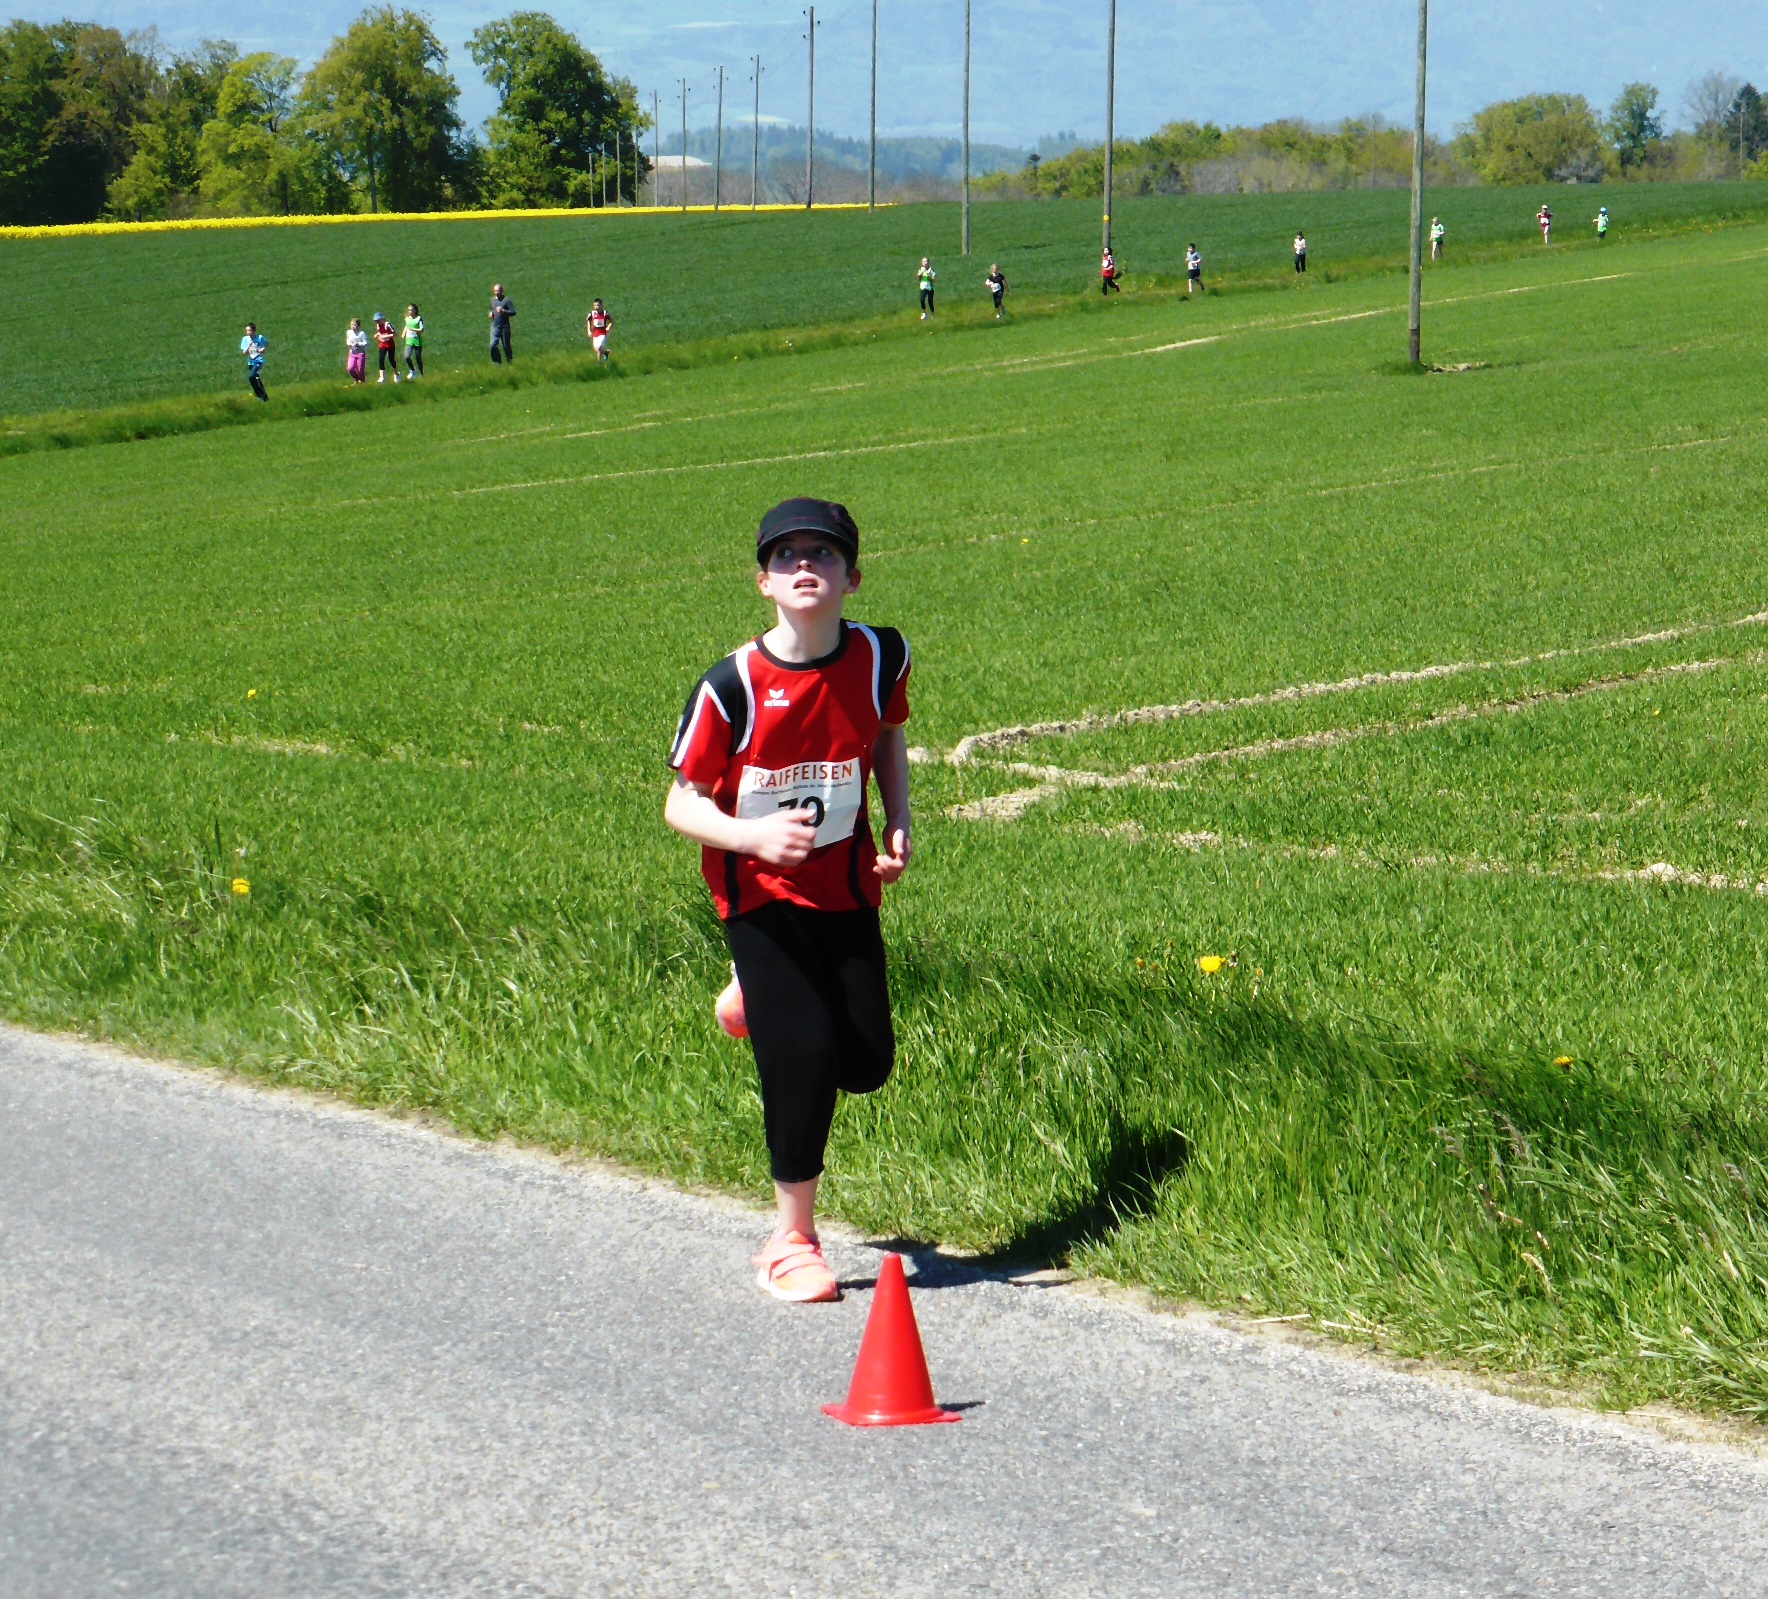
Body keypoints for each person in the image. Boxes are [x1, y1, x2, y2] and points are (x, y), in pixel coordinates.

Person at [665, 498, 912, 1304]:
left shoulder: (882, 655)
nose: (806, 565)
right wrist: (753, 837)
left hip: (845, 885)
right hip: (759, 892)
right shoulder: (731, 684)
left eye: (824, 553)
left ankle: (754, 997)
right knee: (802, 1056)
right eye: (786, 555)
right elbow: (681, 803)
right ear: (763, 582)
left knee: (866, 1061)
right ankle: (791, 1239)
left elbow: (886, 732)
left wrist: (899, 817)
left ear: (853, 576)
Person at [239, 323, 267, 401]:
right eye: (247, 331)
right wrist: (248, 346)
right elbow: (244, 353)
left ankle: (258, 394)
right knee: (256, 379)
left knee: (251, 377)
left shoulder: (259, 338)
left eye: (250, 330)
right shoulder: (245, 339)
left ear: (254, 331)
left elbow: (266, 344)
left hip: (259, 361)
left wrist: (263, 349)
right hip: (251, 362)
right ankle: (264, 397)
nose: (248, 332)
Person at [489, 283, 515, 363]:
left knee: (506, 346)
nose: (497, 292)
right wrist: (491, 313)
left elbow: (513, 312)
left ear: (502, 290)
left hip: (504, 326)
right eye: (495, 291)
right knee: (493, 345)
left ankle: (509, 361)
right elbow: (491, 309)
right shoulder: (492, 300)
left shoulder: (506, 300)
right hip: (495, 326)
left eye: (498, 291)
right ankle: (497, 363)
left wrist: (503, 311)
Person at [373, 312, 399, 383]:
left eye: (378, 320)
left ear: (382, 319)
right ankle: (382, 377)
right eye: (376, 321)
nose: (377, 322)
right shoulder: (378, 326)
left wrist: (385, 336)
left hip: (390, 345)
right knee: (381, 359)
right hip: (382, 345)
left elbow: (395, 334)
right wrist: (377, 335)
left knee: (391, 359)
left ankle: (396, 373)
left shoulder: (388, 325)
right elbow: (380, 332)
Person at [586, 297, 613, 362]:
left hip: (603, 333)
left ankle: (599, 363)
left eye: (597, 305)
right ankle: (605, 352)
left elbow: (611, 322)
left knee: (599, 347)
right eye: (594, 305)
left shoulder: (605, 313)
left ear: (601, 305)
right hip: (595, 333)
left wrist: (608, 327)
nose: (596, 307)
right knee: (597, 349)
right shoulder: (592, 313)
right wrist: (589, 331)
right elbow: (588, 321)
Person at [403, 304, 424, 378]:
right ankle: (412, 370)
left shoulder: (419, 319)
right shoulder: (407, 318)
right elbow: (406, 326)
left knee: (418, 358)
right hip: (409, 341)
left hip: (417, 341)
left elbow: (421, 330)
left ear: (415, 310)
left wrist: (413, 329)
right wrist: (403, 333)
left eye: (411, 310)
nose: (410, 311)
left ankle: (421, 373)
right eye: (409, 310)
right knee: (407, 356)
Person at [345, 317, 367, 384]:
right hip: (352, 353)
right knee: (350, 368)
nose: (353, 326)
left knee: (360, 370)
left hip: (360, 353)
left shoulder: (361, 333)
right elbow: (348, 340)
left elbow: (366, 343)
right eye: (351, 325)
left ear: (358, 326)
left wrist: (358, 344)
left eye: (354, 325)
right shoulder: (349, 332)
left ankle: (362, 381)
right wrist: (349, 344)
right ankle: (356, 379)